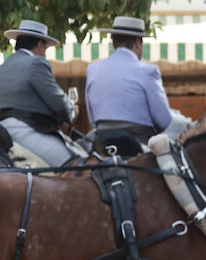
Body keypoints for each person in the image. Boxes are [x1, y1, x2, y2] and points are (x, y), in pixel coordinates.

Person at [84, 16, 183, 151]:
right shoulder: (148, 71)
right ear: (137, 42)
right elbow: (164, 120)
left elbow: (92, 119)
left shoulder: (92, 69)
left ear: (114, 43)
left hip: (103, 143)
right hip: (139, 145)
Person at [0, 19, 75, 166]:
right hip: (25, 129)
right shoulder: (36, 63)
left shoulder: (3, 66)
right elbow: (58, 102)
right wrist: (71, 112)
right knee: (74, 166)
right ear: (40, 45)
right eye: (46, 48)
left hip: (4, 130)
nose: (45, 54)